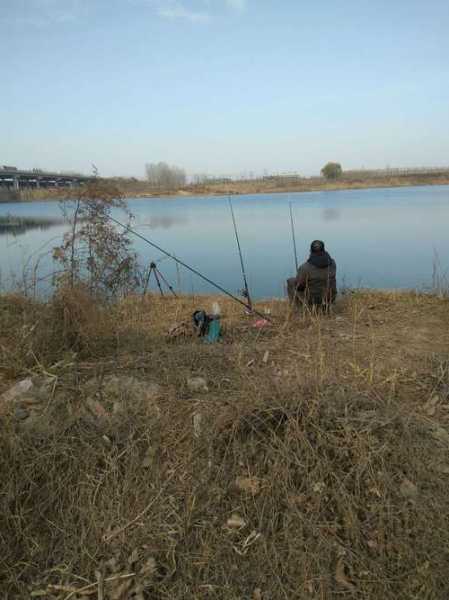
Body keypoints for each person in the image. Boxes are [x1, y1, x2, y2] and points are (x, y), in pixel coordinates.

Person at [287, 240, 337, 310]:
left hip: (313, 300)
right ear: (324, 250)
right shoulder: (333, 263)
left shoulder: (305, 267)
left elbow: (299, 286)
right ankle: (327, 307)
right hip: (330, 298)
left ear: (310, 251)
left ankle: (298, 309)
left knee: (290, 281)